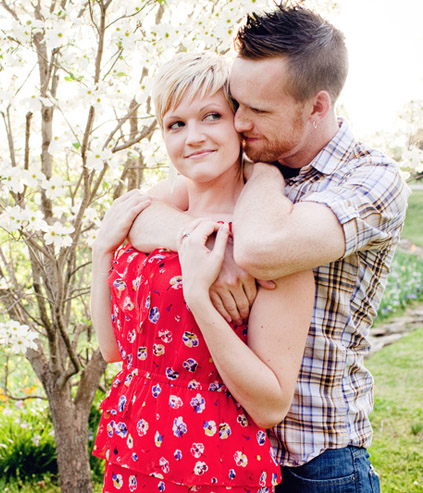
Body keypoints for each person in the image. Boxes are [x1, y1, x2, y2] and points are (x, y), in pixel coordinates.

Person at [127, 5, 411, 493]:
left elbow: (262, 249)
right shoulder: (253, 157)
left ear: (317, 106)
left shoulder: (369, 180)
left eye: (258, 110)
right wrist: (202, 238)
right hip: (229, 449)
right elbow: (133, 216)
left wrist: (251, 202)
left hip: (315, 459)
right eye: (236, 104)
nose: (238, 123)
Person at [90, 52, 315, 493]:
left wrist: (199, 299)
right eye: (176, 124)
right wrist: (102, 253)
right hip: (135, 453)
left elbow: (271, 404)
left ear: (239, 123)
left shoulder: (264, 241)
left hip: (213, 466)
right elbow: (114, 351)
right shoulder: (151, 216)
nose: (192, 137)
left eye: (210, 116)